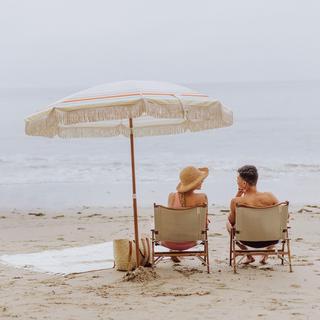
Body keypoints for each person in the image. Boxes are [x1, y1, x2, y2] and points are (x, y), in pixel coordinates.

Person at [226, 165, 278, 265]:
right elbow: (285, 217)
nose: (237, 181)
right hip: (271, 238)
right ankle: (266, 253)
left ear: (244, 183)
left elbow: (231, 221)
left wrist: (238, 196)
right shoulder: (270, 196)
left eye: (238, 179)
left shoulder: (236, 201)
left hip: (246, 240)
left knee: (228, 224)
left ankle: (249, 255)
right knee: (276, 223)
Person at [162, 166, 209, 262]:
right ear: (194, 183)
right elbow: (204, 224)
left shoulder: (172, 197)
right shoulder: (201, 198)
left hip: (169, 242)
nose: (202, 181)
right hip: (190, 242)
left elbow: (170, 220)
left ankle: (173, 250)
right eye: (200, 180)